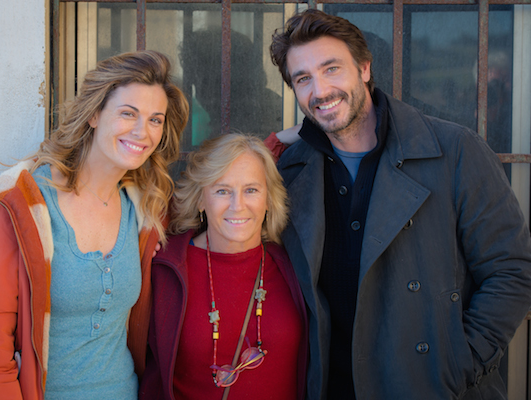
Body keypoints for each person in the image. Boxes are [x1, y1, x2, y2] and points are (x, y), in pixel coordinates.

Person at [265, 9, 531, 400]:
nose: (320, 91)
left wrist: (459, 364)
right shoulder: (290, 170)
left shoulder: (455, 150)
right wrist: (276, 142)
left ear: (364, 68)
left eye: (331, 69)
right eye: (303, 78)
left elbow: (511, 271)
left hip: (433, 388)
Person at [0, 50, 189, 399]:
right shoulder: (15, 207)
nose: (143, 131)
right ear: (94, 114)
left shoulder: (145, 210)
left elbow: (223, 208)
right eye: (128, 113)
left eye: (155, 119)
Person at [139, 133, 308, 400]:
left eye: (251, 190)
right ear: (200, 200)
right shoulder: (165, 269)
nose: (237, 205)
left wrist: (293, 133)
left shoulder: (295, 265)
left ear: (268, 198)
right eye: (222, 191)